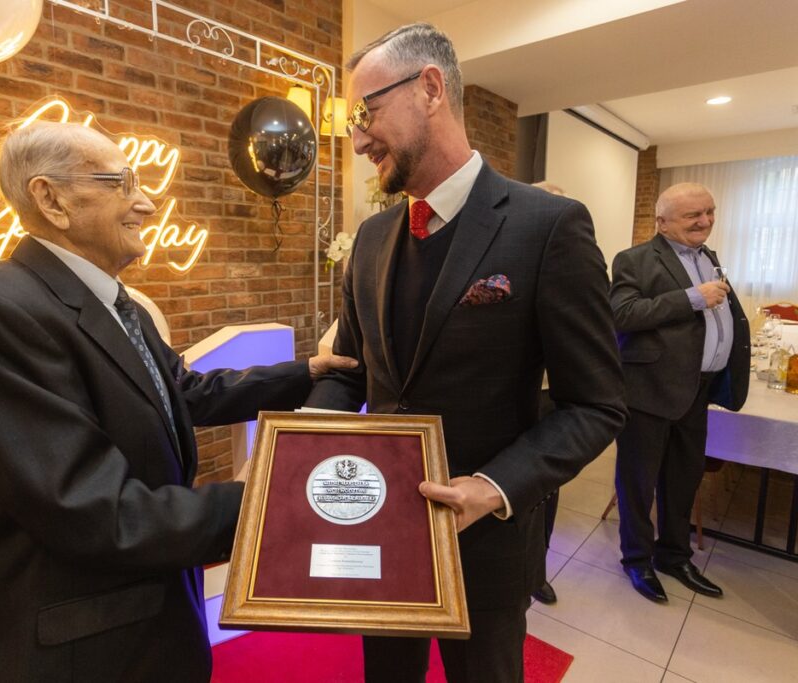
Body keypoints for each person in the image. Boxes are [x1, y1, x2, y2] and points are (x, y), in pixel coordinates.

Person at [0, 121, 356, 681]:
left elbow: (180, 392)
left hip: (155, 617)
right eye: (121, 182)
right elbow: (94, 510)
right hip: (89, 650)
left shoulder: (108, 297)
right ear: (50, 198)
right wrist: (268, 497)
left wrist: (305, 373)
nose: (147, 203)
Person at [306, 23, 626, 683]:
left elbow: (595, 403)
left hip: (485, 545)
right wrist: (305, 454)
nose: (359, 137)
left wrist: (492, 487)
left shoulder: (548, 226)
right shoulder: (369, 238)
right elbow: (351, 372)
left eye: (366, 113)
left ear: (429, 89)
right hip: (381, 530)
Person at [611, 182, 749, 603]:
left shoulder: (709, 257)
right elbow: (622, 313)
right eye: (693, 216)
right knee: (638, 482)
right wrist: (691, 298)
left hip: (697, 389)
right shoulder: (634, 259)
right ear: (663, 222)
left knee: (684, 479)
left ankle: (674, 555)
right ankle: (636, 560)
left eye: (709, 211)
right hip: (648, 391)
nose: (705, 221)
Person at [530, 180, 566, 607]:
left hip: (549, 392)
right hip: (512, 394)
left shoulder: (571, 268)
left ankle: (537, 566)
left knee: (547, 486)